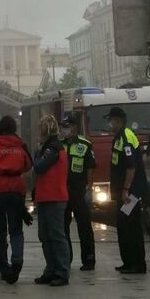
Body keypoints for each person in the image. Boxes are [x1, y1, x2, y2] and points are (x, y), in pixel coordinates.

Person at [0, 116, 33, 284]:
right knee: (16, 229)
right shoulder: (21, 144)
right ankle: (17, 261)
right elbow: (28, 165)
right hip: (16, 189)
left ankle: (4, 266)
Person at [106, 107, 147, 274]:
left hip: (131, 193)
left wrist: (125, 190)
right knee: (123, 226)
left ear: (117, 120)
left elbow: (131, 167)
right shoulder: (118, 137)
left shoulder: (125, 137)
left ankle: (137, 264)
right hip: (124, 192)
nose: (109, 124)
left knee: (131, 227)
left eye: (111, 120)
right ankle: (128, 262)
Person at [33, 115, 71, 287]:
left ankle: (61, 271)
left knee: (56, 235)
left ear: (45, 131)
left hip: (54, 197)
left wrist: (36, 153)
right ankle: (51, 269)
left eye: (40, 131)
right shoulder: (52, 147)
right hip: (47, 196)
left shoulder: (53, 148)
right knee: (45, 235)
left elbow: (39, 166)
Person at [60, 113, 97, 271]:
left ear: (74, 127)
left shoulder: (85, 145)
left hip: (79, 191)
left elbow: (90, 169)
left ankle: (88, 260)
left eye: (66, 127)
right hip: (62, 191)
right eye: (62, 127)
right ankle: (66, 259)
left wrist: (89, 189)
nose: (64, 130)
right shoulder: (59, 145)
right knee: (63, 227)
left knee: (84, 227)